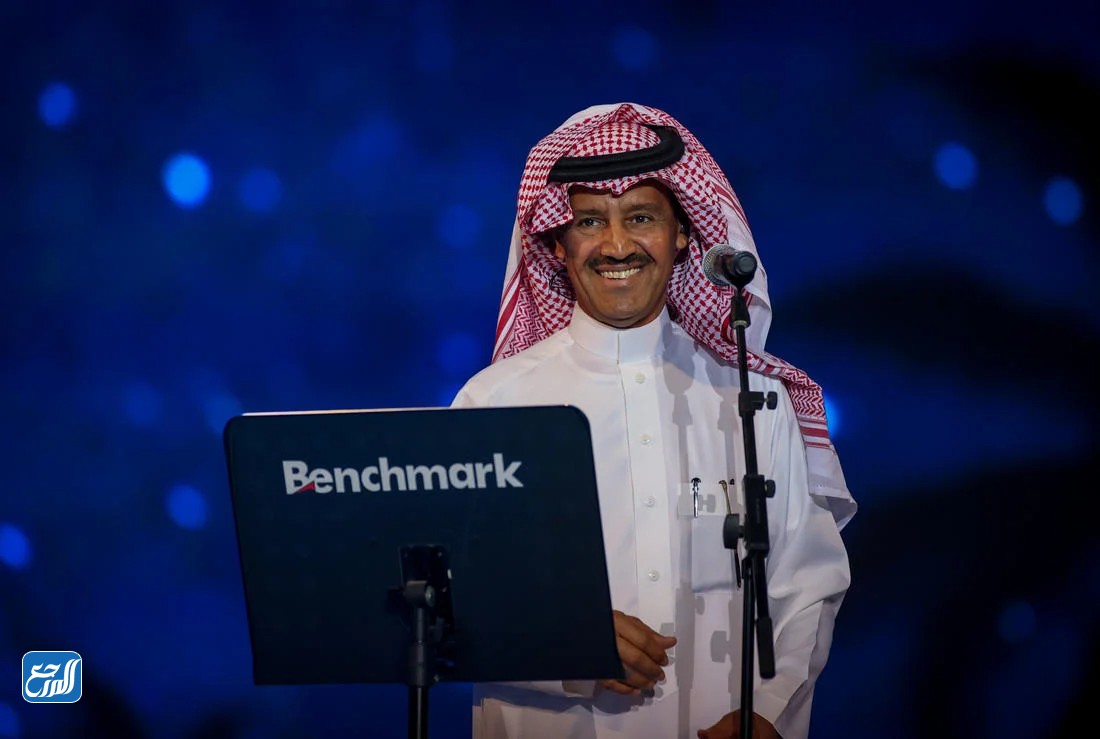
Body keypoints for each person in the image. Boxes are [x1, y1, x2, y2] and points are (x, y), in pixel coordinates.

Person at [450, 102, 857, 739]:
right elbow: (447, 603)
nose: (617, 246)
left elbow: (809, 582)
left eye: (640, 217)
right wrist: (566, 640)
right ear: (557, 244)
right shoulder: (496, 402)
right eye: (590, 222)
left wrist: (769, 710)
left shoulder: (753, 399)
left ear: (683, 235)